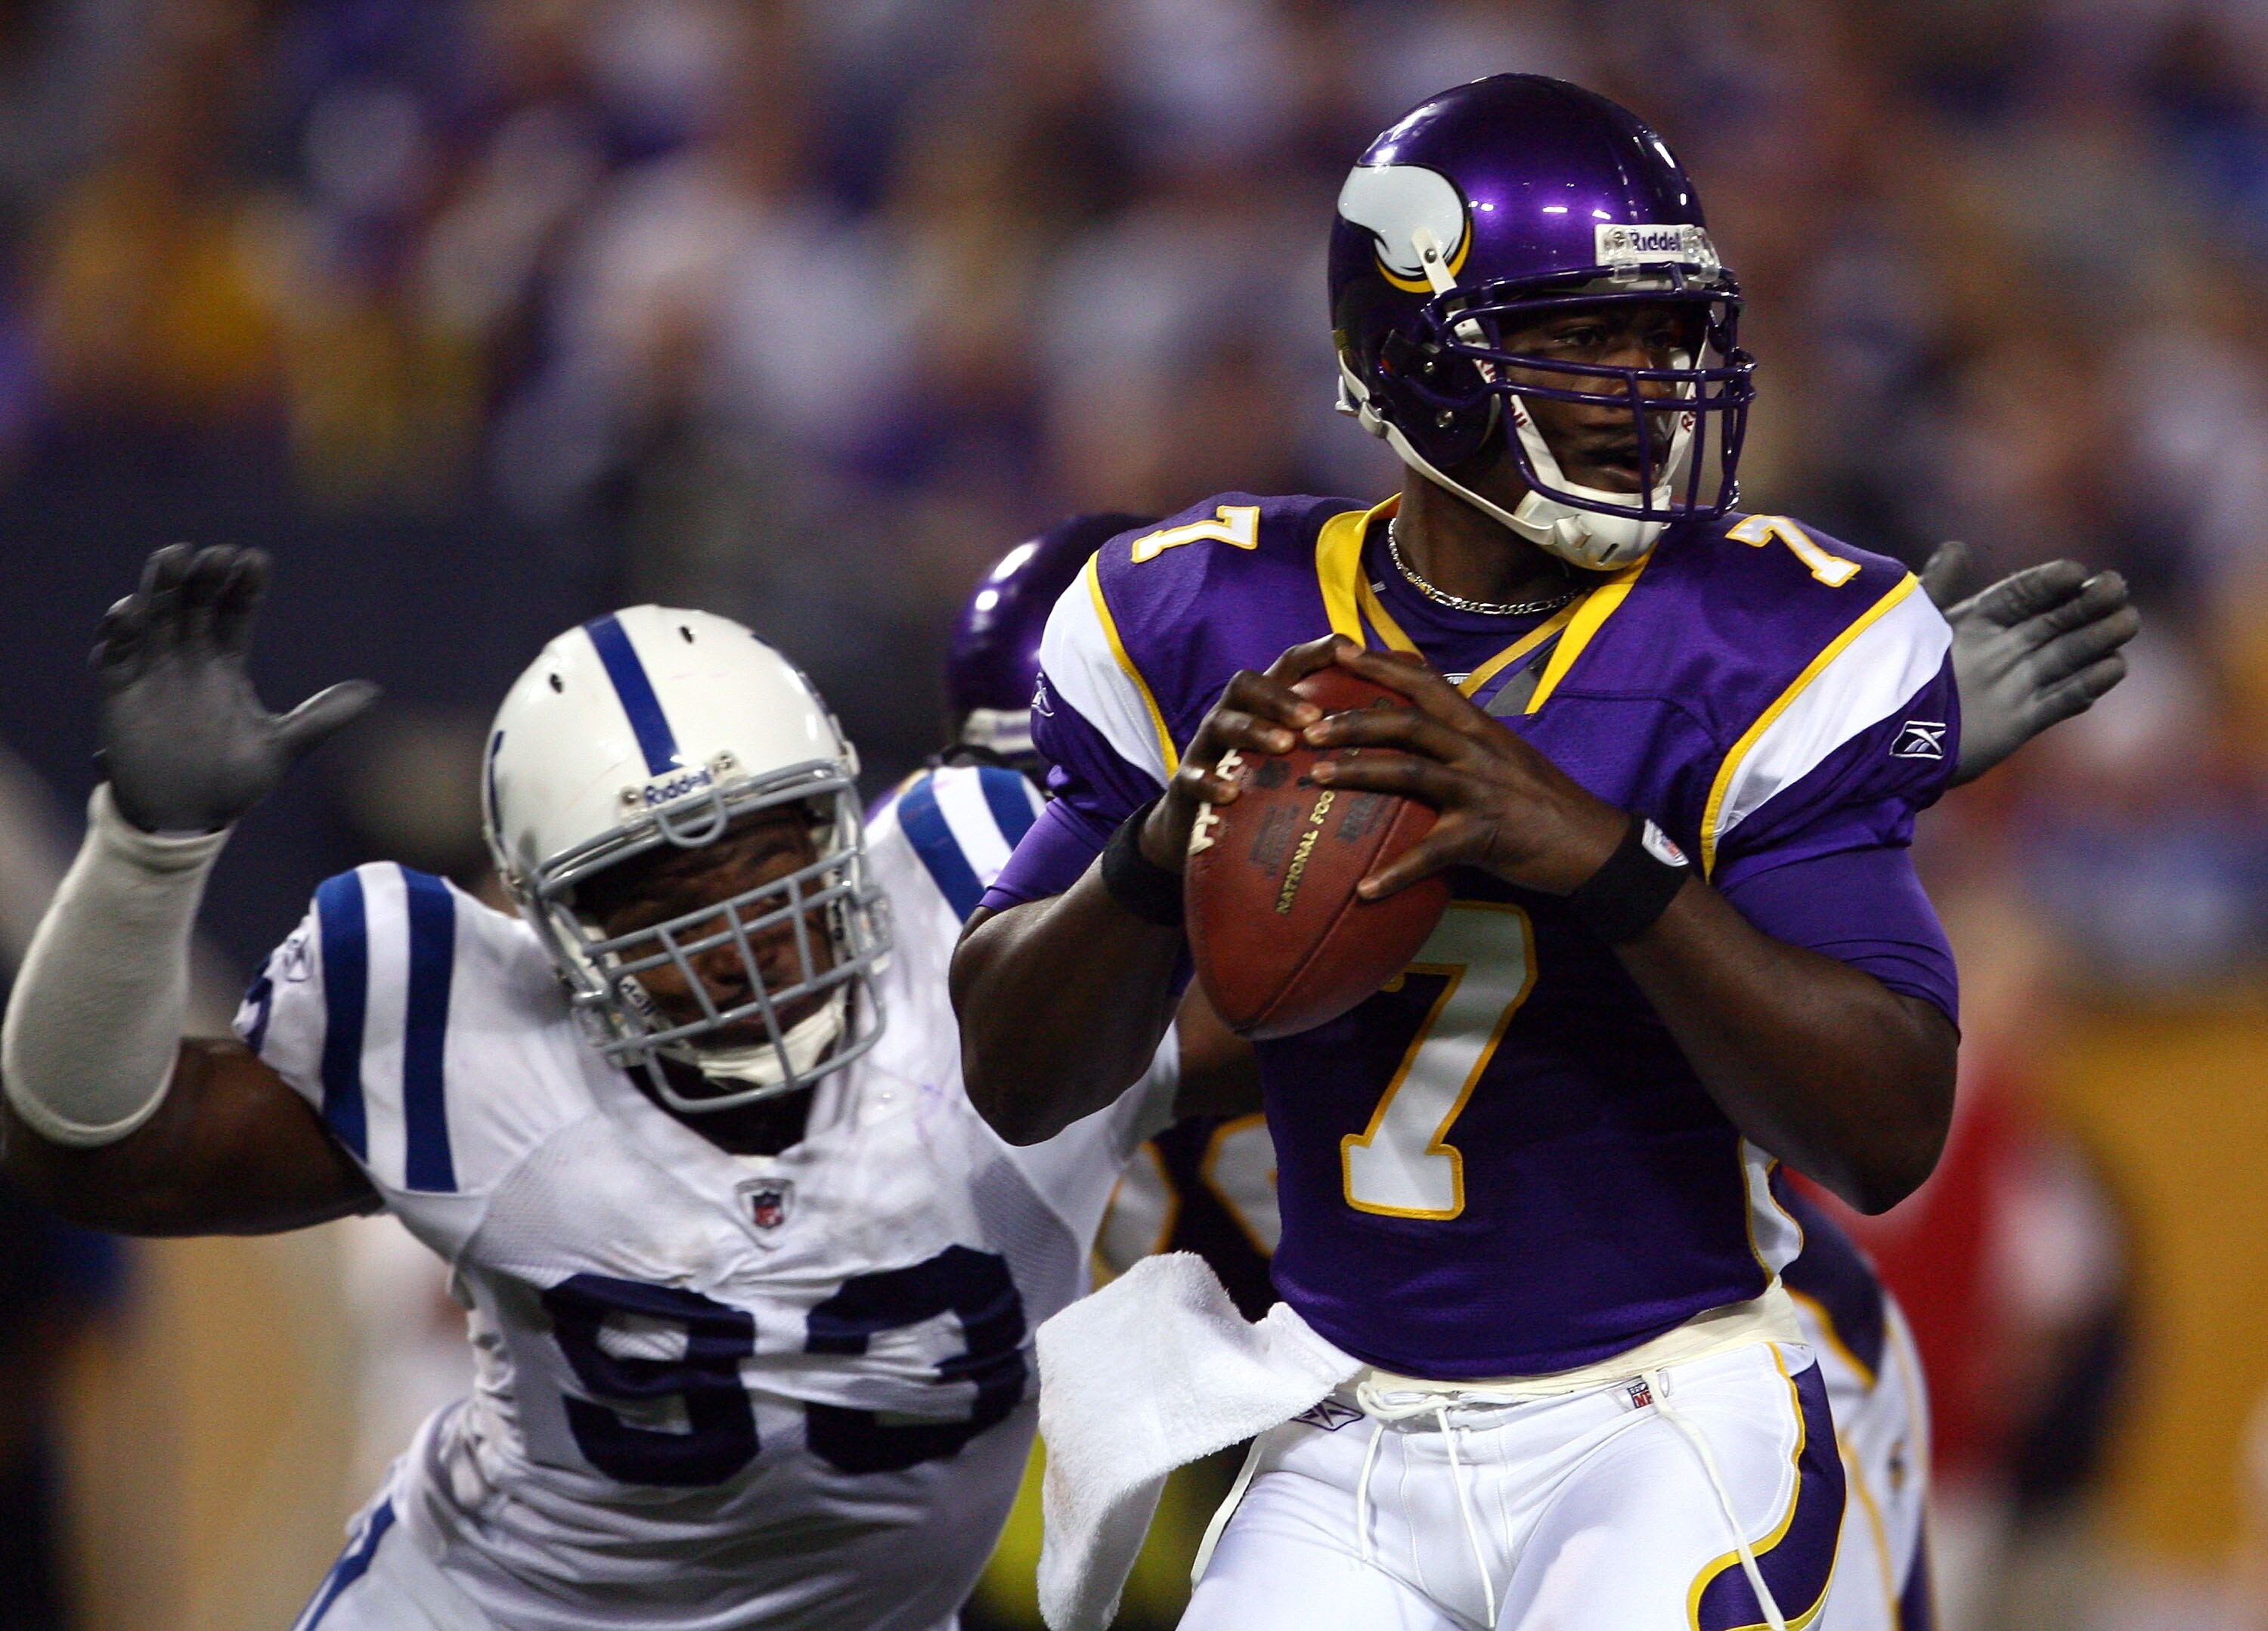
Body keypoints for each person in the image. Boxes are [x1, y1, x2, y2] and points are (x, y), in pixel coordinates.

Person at [950, 77, 2137, 1631]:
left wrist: (1599, 856)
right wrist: (1155, 854)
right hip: (1345, 1422)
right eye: (1587, 334)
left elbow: (1882, 1125)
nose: (1649, 382)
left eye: (1668, 334)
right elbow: (1018, 1073)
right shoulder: (1199, 615)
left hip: (1660, 1407)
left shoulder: (1760, 633)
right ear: (1411, 348)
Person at [0, 543, 1195, 1631]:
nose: (738, 934)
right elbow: (93, 1151)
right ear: (548, 923)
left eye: (766, 849)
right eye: (661, 892)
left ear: (844, 817)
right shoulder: (464, 1034)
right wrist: (144, 855)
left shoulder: (978, 928)